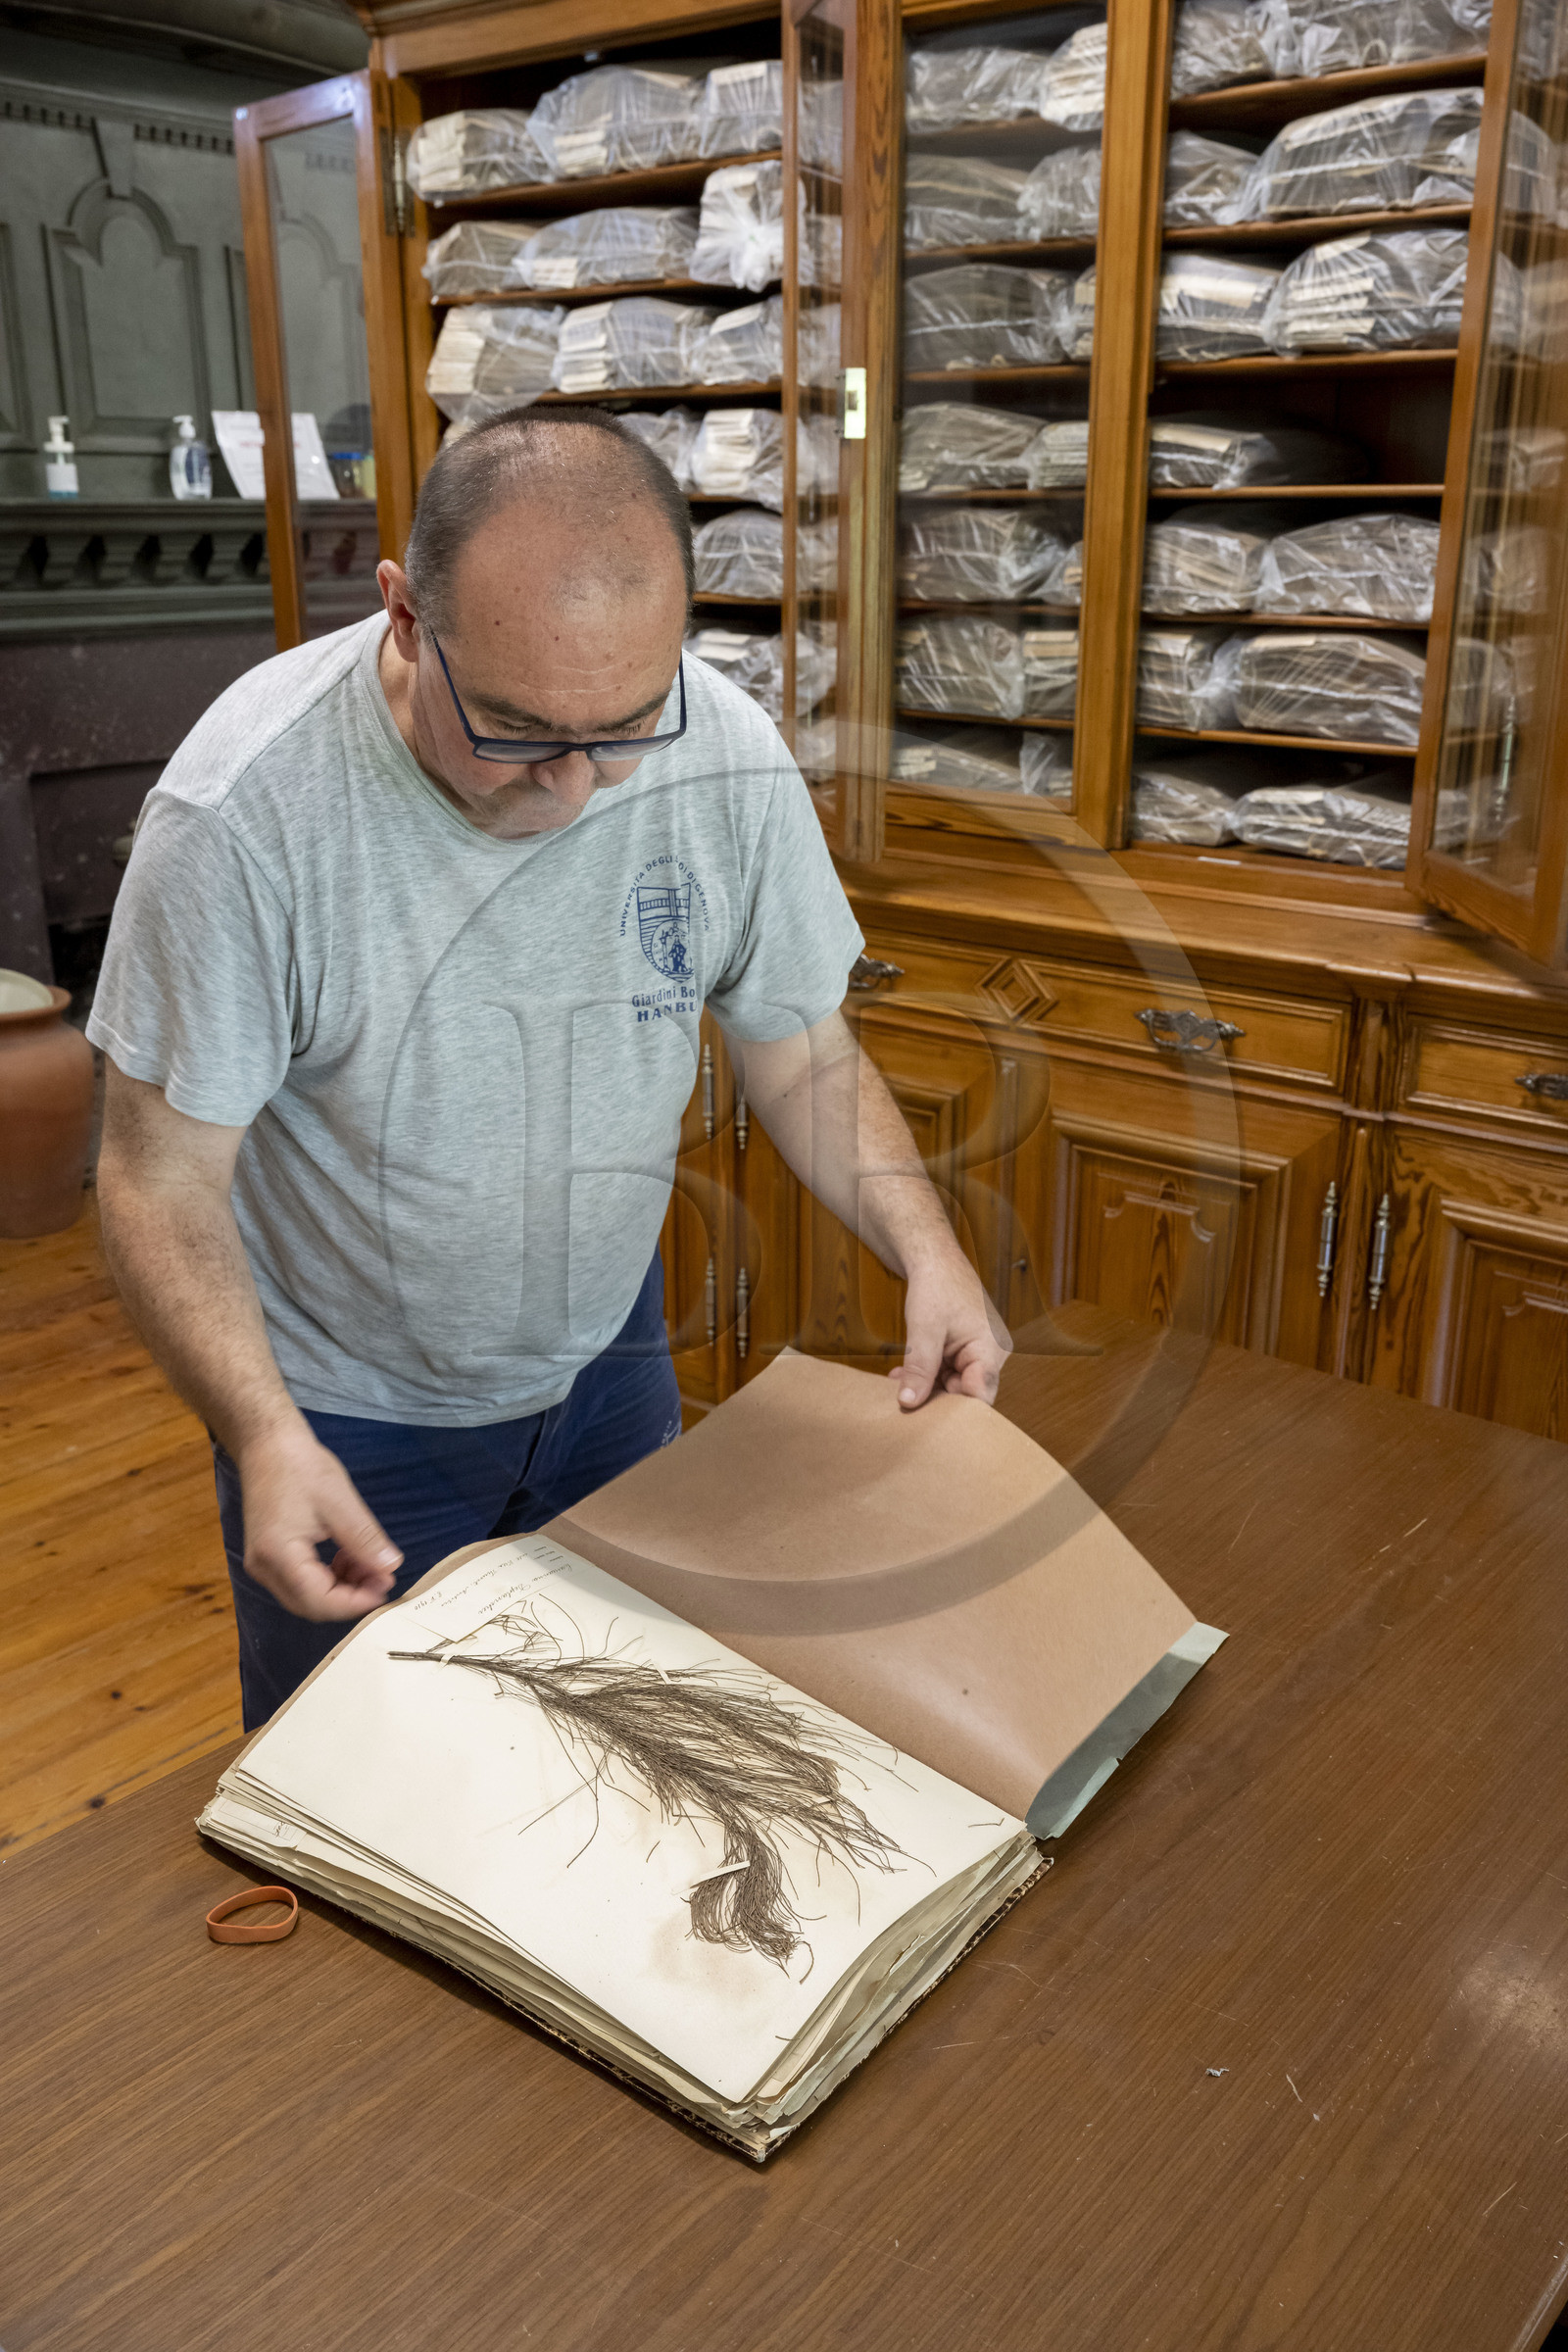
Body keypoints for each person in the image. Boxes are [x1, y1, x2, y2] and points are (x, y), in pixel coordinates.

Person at [91, 407, 1008, 1729]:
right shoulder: (243, 816)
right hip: (347, 1414)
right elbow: (158, 1181)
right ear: (406, 617)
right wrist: (264, 1436)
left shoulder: (724, 751)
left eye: (625, 726)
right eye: (519, 733)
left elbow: (801, 1047)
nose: (576, 789)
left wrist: (928, 1249)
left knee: (627, 1743)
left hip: (608, 1362)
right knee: (376, 1806)